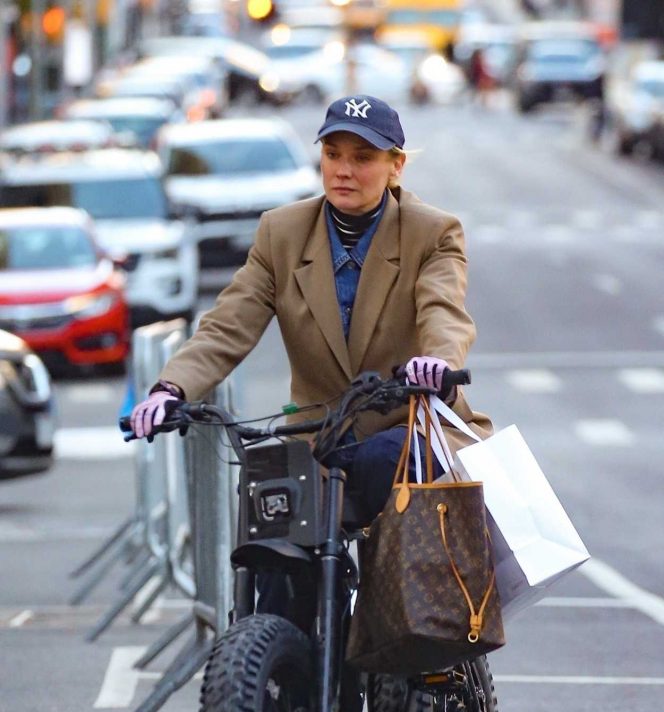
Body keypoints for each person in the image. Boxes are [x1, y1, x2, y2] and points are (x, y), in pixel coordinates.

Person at [130, 93, 492, 570]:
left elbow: (443, 310)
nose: (343, 170)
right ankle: (273, 639)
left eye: (362, 157)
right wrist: (171, 388)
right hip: (319, 438)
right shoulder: (281, 232)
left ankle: (385, 624)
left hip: (408, 431)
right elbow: (229, 321)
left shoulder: (433, 232)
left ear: (396, 165)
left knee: (381, 465)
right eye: (332, 154)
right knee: (275, 543)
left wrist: (439, 362)